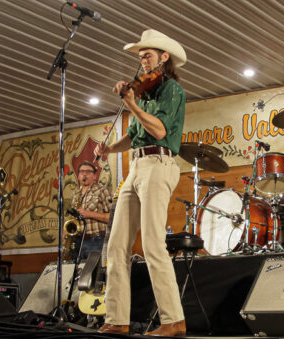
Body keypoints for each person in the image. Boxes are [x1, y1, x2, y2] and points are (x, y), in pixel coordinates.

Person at [94, 30, 187, 337]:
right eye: (140, 57)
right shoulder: (145, 93)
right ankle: (116, 319)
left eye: (147, 55)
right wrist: (109, 149)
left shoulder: (172, 89)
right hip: (135, 166)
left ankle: (173, 320)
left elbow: (159, 131)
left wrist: (132, 105)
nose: (142, 61)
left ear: (164, 57)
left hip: (159, 164)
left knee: (152, 245)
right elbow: (134, 136)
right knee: (117, 245)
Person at [70, 161, 112, 262]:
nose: (84, 174)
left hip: (96, 241)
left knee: (95, 274)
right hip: (78, 242)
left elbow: (113, 217)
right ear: (78, 176)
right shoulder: (76, 194)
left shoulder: (102, 191)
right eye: (82, 172)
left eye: (88, 172)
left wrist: (89, 214)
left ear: (94, 176)